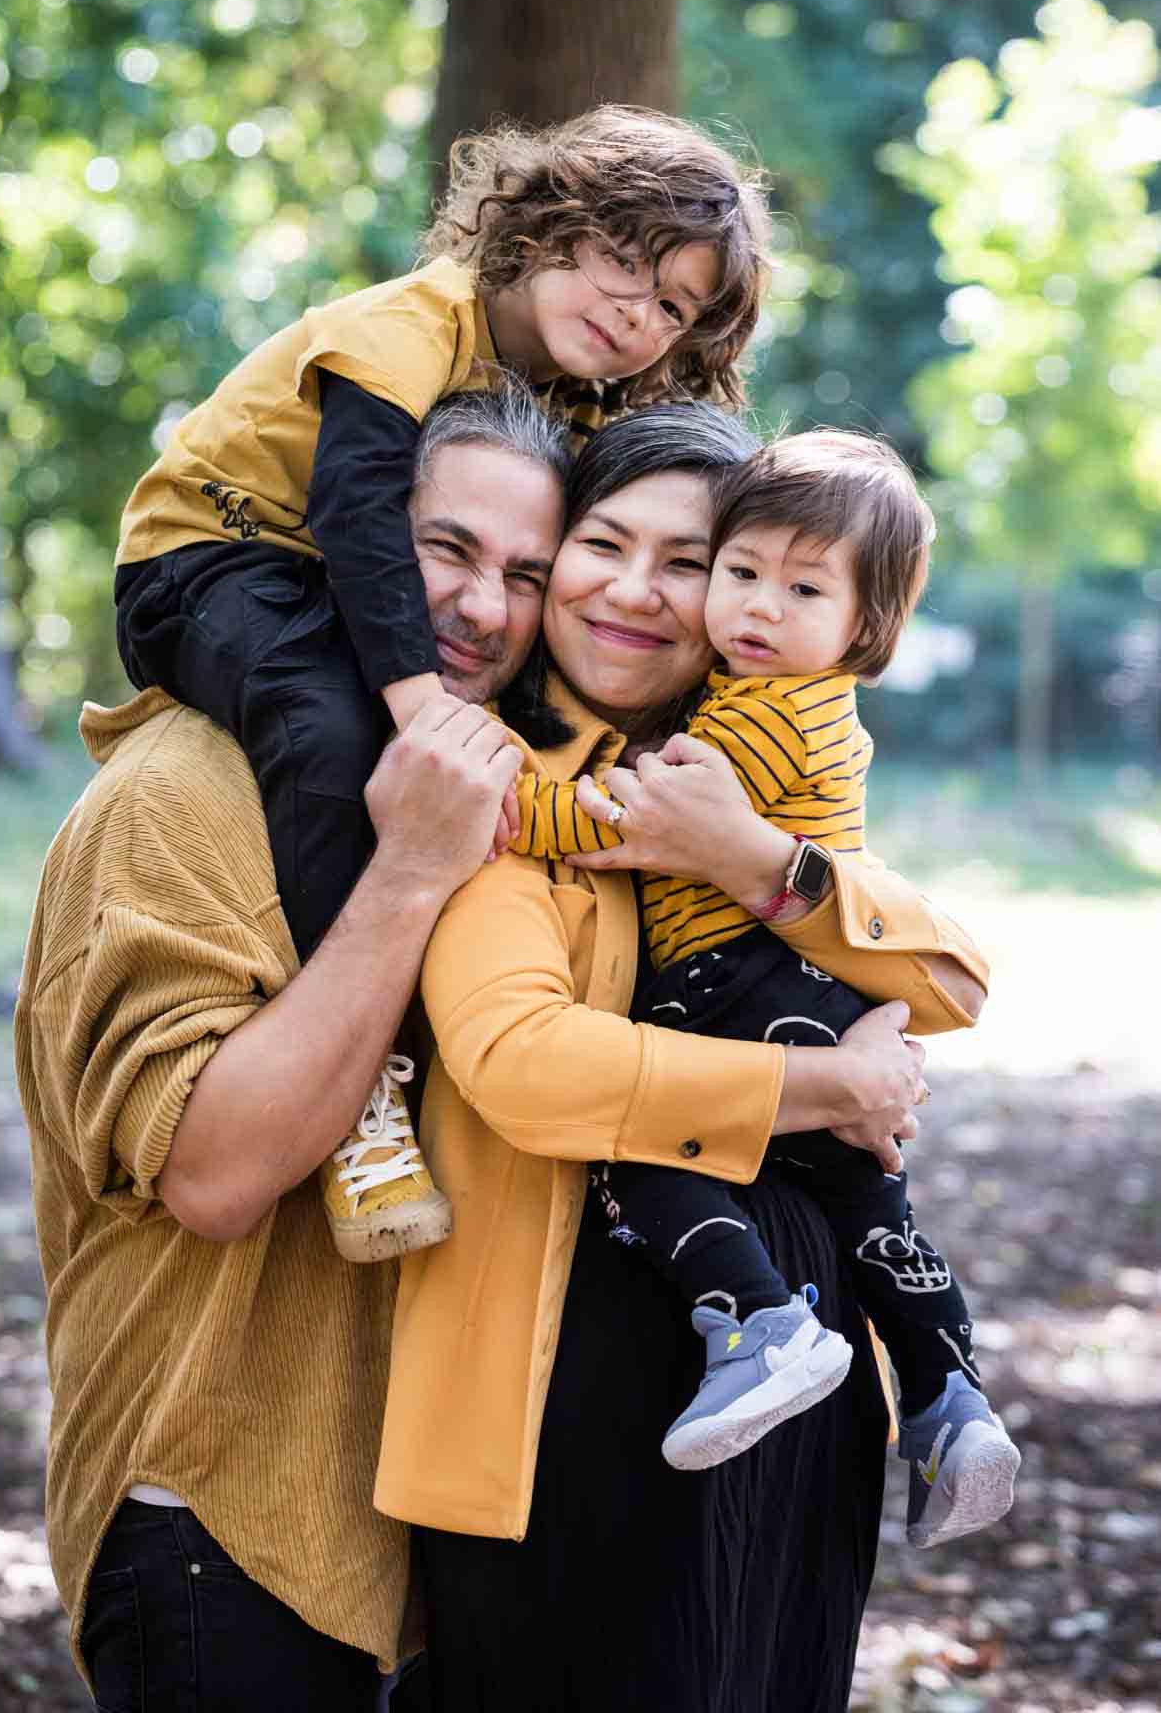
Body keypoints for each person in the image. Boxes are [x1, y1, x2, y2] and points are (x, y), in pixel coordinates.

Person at [374, 404, 991, 1713]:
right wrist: (827, 1083)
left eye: (690, 556)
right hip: (587, 1388)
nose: (649, 594)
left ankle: (941, 1392)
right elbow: (524, 1063)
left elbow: (949, 980)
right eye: (605, 545)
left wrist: (756, 864)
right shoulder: (509, 785)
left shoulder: (745, 776)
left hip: (804, 1386)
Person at [111, 104, 771, 1258]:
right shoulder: (412, 322)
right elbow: (359, 513)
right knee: (329, 735)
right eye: (623, 264)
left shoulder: (571, 394)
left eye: (671, 305)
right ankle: (357, 1085)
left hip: (322, 577)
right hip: (206, 562)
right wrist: (418, 706)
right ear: (542, 227)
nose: (635, 313)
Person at [14, 392, 570, 1710]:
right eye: (445, 551)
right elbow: (214, 1172)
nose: (484, 609)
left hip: (410, 1530)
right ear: (347, 541)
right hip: (216, 1518)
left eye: (526, 575)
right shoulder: (179, 794)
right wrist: (408, 878)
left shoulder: (481, 775)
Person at [506, 428, 1019, 1543]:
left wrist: (503, 805)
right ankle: (948, 1396)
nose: (757, 608)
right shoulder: (822, 713)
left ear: (863, 626)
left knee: (640, 1140)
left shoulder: (751, 714)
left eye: (801, 587)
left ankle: (757, 1322)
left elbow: (622, 820)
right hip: (816, 995)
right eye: (740, 572)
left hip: (730, 983)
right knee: (873, 1207)